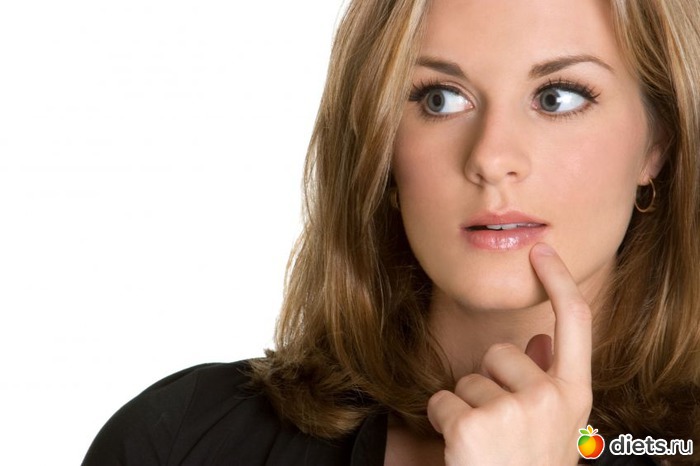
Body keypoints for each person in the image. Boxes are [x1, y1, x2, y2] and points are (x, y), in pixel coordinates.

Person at [83, 0, 700, 464]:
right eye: (439, 99)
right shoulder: (182, 439)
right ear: (380, 146)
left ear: (659, 143)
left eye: (558, 97)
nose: (491, 157)